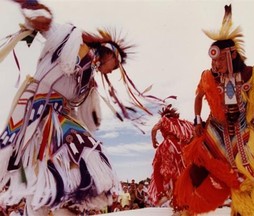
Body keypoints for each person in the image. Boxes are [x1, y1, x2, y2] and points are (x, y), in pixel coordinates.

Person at [0, 0, 159, 215]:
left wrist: (88, 92)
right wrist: (39, 16)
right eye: (117, 65)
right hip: (37, 110)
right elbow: (50, 28)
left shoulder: (87, 79)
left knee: (77, 153)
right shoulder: (72, 38)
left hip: (59, 117)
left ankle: (63, 198)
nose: (113, 72)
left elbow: (87, 118)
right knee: (59, 155)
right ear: (110, 54)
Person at [174, 4, 254, 216]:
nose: (215, 65)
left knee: (249, 173)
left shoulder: (251, 74)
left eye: (219, 59)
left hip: (244, 131)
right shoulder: (208, 77)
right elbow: (198, 97)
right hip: (216, 128)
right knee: (199, 169)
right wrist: (197, 120)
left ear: (232, 55)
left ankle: (246, 211)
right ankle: (187, 207)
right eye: (212, 60)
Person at [147, 104, 194, 210]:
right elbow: (193, 134)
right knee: (178, 175)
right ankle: (179, 203)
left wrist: (154, 141)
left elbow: (154, 129)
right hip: (180, 149)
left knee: (157, 167)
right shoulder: (183, 123)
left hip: (168, 145)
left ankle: (162, 193)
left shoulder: (164, 120)